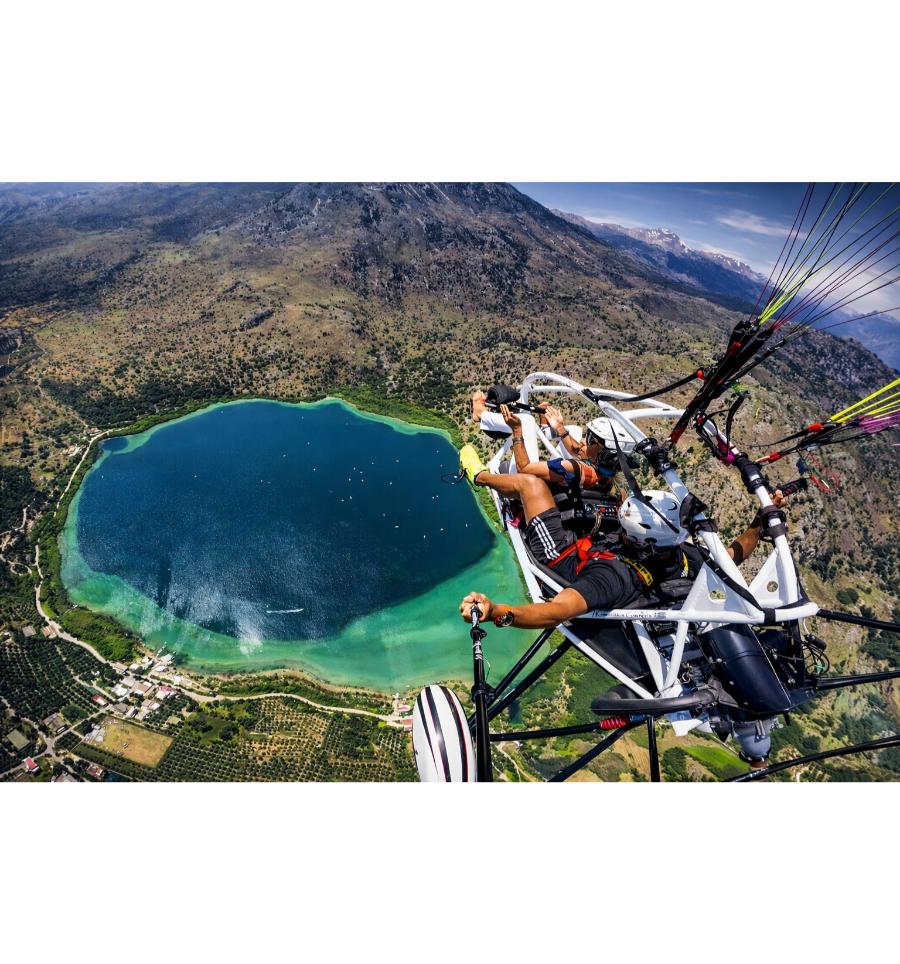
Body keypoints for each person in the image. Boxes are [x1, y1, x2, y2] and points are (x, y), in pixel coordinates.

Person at [457, 439, 786, 629]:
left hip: (560, 555)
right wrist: (760, 524)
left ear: (638, 541)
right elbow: (731, 555)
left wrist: (496, 611)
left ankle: (480, 477)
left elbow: (554, 611)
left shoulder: (613, 577)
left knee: (530, 485)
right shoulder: (686, 557)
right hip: (599, 552)